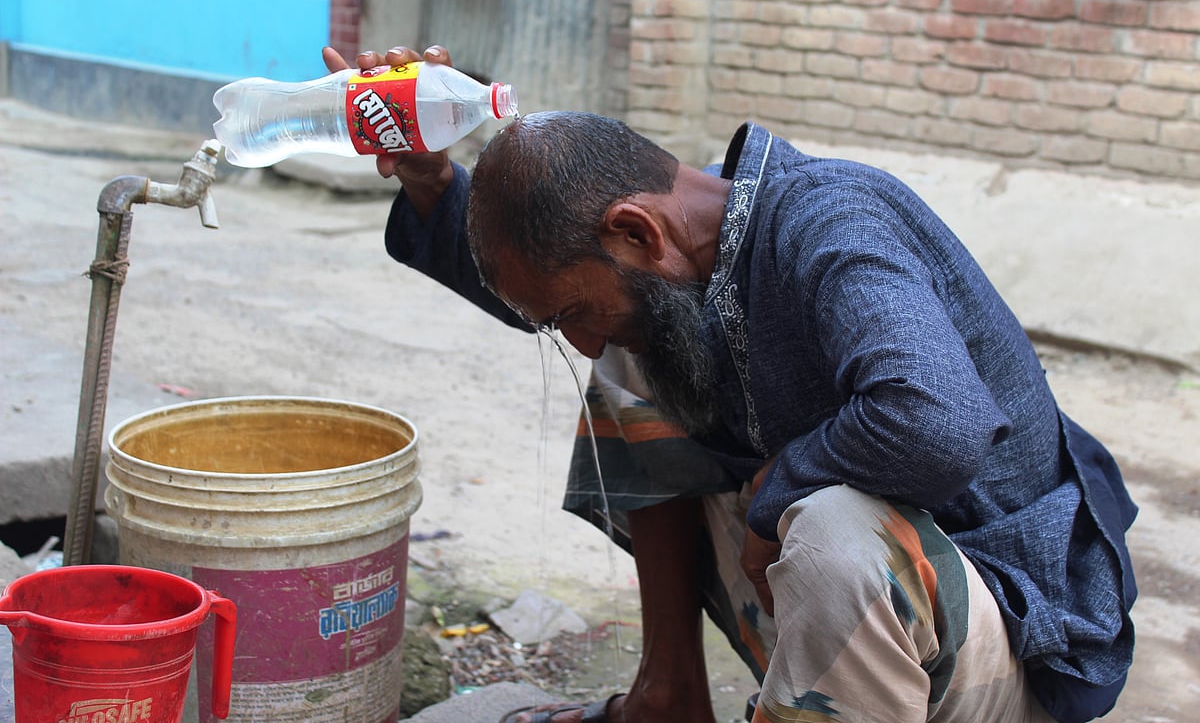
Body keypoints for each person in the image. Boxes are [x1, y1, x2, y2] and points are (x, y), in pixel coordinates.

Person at [322, 45, 1137, 723]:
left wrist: (779, 487)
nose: (577, 335)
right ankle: (669, 696)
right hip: (898, 623)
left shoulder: (833, 223)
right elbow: (559, 282)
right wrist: (432, 183)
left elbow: (938, 424)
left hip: (1013, 638)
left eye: (571, 308)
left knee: (832, 528)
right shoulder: (695, 232)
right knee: (633, 355)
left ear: (637, 230)